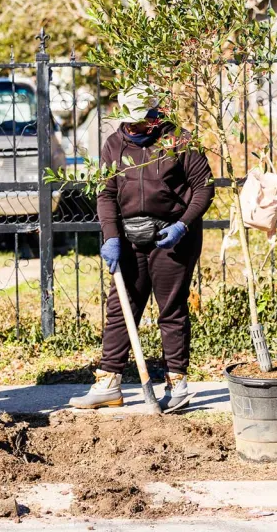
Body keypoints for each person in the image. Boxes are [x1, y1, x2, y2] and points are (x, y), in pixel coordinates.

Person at [70, 88, 214, 412]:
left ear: (155, 116)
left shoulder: (178, 140)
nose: (134, 130)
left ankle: (177, 384)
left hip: (173, 235)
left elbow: (204, 188)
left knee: (171, 308)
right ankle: (109, 382)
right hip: (130, 237)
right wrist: (110, 236)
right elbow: (106, 195)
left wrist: (183, 225)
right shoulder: (114, 145)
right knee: (121, 307)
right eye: (130, 124)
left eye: (141, 123)